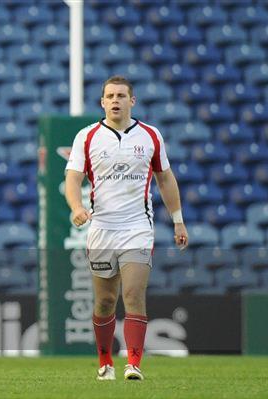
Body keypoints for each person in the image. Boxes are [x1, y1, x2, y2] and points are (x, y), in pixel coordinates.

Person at [64, 75, 188, 381]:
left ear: (132, 101)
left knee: (133, 294)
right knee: (105, 300)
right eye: (110, 96)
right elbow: (73, 178)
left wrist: (178, 219)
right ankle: (105, 362)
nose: (116, 100)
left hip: (137, 228)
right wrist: (77, 208)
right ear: (102, 102)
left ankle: (134, 364)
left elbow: (165, 178)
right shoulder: (88, 136)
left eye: (121, 95)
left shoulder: (150, 135)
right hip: (102, 228)